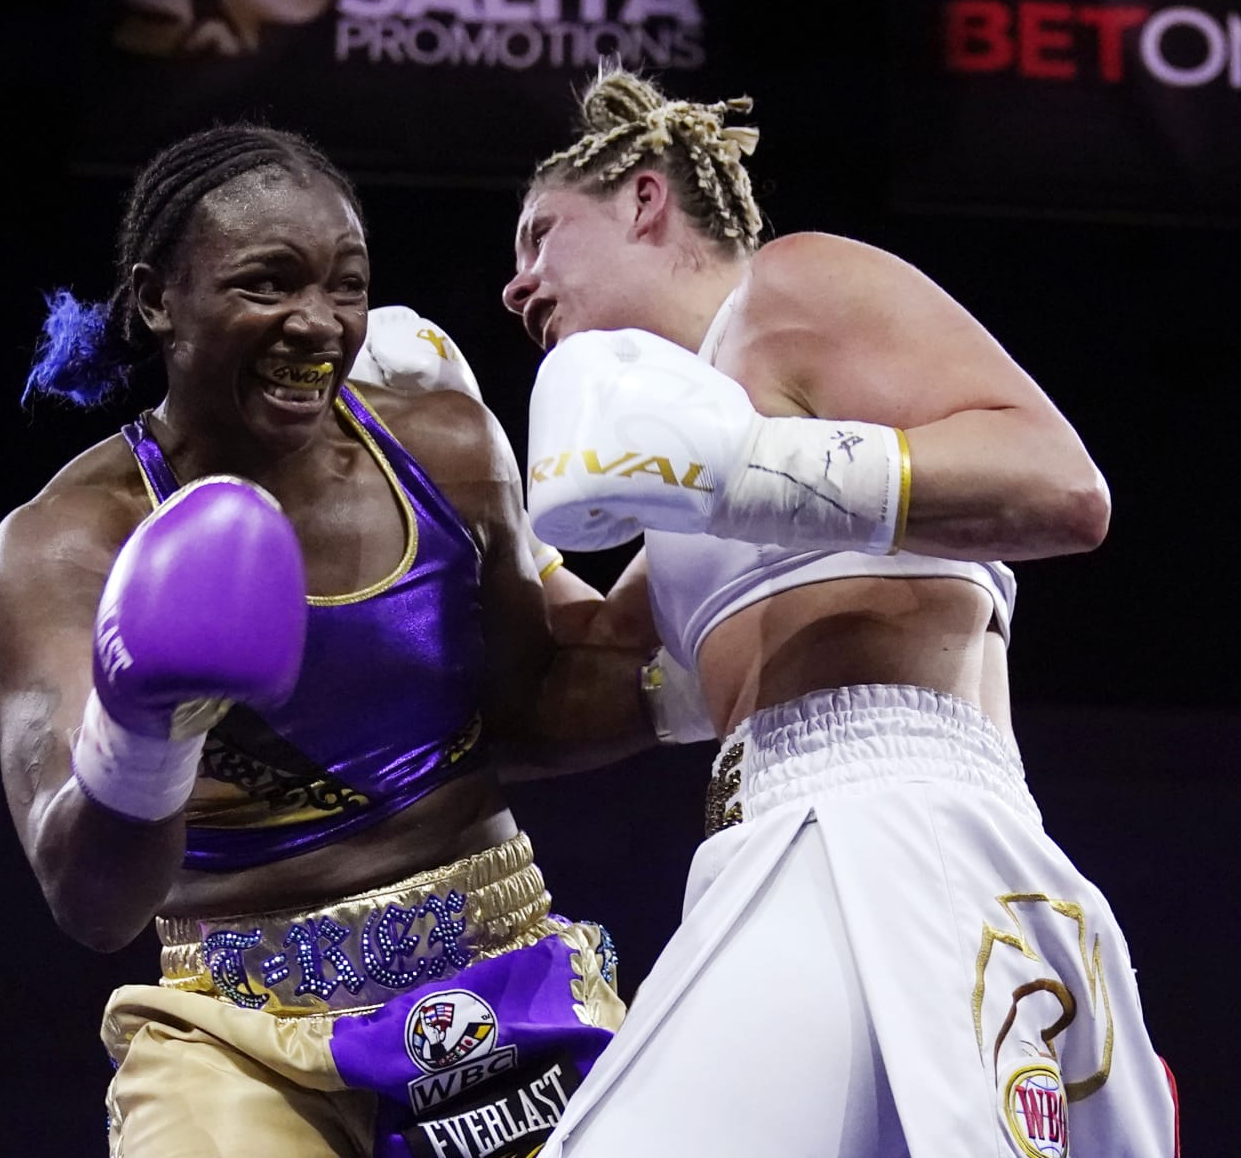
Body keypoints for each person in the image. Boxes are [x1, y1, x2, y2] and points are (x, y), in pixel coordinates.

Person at [501, 67, 1179, 1156]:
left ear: (643, 198)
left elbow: (1061, 487)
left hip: (890, 823)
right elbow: (559, 696)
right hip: (773, 846)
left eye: (541, 235)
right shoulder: (677, 482)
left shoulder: (787, 291)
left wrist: (748, 468)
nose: (517, 284)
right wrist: (463, 506)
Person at [0, 124, 658, 1158]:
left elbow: (528, 716)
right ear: (160, 299)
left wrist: (709, 615)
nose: (317, 323)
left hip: (499, 976)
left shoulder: (447, 451)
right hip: (237, 1034)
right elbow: (90, 900)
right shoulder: (67, 545)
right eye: (268, 284)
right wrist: (149, 723)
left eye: (346, 284)